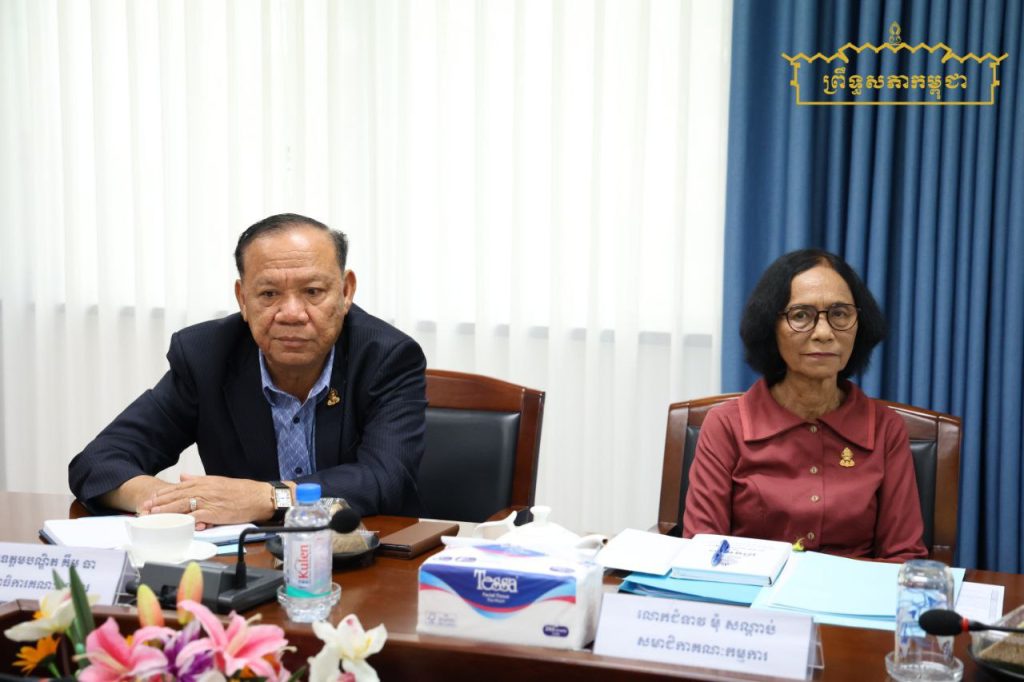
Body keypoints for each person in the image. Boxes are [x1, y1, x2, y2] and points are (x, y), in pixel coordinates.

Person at [69, 213, 427, 526]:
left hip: (361, 557)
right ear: (242, 298)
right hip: (245, 560)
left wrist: (270, 497)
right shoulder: (207, 357)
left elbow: (387, 479)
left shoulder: (386, 358)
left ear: (346, 292)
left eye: (313, 291)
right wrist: (174, 502)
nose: (291, 313)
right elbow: (98, 462)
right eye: (269, 294)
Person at [683, 248, 927, 561]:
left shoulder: (885, 428)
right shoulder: (727, 425)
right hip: (751, 590)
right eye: (801, 315)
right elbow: (704, 552)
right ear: (769, 327)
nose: (824, 333)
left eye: (840, 314)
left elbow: (904, 556)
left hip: (852, 591)